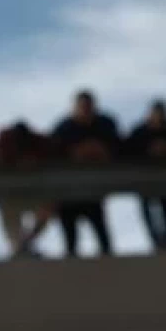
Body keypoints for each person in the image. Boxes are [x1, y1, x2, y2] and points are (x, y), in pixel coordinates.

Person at [50, 90, 121, 257]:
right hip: (67, 192)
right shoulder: (63, 128)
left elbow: (119, 149)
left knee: (103, 240)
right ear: (75, 108)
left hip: (93, 191)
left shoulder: (105, 124)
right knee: (71, 242)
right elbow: (52, 156)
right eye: (82, 107)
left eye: (88, 107)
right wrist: (75, 154)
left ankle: (108, 269)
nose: (85, 111)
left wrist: (101, 152)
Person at [125, 99, 166, 253]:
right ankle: (156, 242)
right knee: (146, 209)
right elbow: (126, 152)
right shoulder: (139, 131)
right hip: (144, 180)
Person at [0, 121, 57, 258]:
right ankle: (19, 248)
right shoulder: (4, 142)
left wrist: (35, 164)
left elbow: (52, 160)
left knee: (48, 205)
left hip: (36, 192)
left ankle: (25, 244)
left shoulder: (39, 143)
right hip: (9, 194)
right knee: (6, 210)